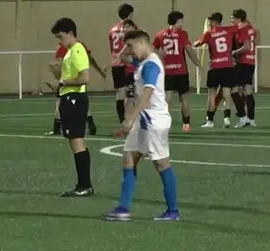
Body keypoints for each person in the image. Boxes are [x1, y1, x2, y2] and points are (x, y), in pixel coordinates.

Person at [104, 30, 180, 222]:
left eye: (131, 45)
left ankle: (173, 211)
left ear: (141, 43)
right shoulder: (143, 62)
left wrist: (130, 118)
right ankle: (123, 208)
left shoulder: (151, 65)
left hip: (153, 122)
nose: (127, 50)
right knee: (129, 158)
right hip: (144, 121)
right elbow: (121, 57)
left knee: (162, 164)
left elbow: (147, 95)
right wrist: (127, 44)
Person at [50, 17, 94, 197]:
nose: (60, 41)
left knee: (77, 141)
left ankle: (84, 185)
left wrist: (62, 81)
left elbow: (85, 78)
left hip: (75, 98)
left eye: (61, 37)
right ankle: (84, 184)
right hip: (70, 97)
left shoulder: (77, 50)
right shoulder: (70, 51)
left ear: (70, 33)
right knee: (75, 141)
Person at [46, 41, 107, 136]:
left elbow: (62, 68)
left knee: (59, 102)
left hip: (69, 80)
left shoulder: (63, 49)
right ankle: (91, 125)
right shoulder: (80, 46)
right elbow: (90, 59)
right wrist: (99, 71)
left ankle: (57, 129)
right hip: (80, 79)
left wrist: (58, 79)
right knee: (81, 104)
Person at [153, 11, 201, 131]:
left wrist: (159, 59)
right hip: (181, 71)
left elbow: (153, 49)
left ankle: (163, 124)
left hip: (167, 71)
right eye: (181, 21)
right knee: (184, 98)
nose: (183, 23)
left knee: (167, 98)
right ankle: (186, 125)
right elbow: (189, 50)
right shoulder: (182, 34)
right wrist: (198, 63)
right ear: (177, 21)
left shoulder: (160, 34)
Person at [194, 12, 237, 128]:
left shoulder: (209, 34)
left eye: (210, 21)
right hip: (228, 66)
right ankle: (227, 118)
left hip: (215, 67)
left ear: (214, 22)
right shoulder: (229, 30)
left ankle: (210, 121)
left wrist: (197, 42)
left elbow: (197, 43)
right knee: (227, 94)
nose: (209, 23)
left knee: (211, 95)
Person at [109, 4, 138, 123]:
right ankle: (130, 119)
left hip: (116, 64)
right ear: (130, 14)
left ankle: (122, 120)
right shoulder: (131, 27)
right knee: (131, 94)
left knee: (120, 93)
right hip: (128, 64)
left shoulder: (112, 30)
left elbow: (112, 47)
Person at [231, 9, 259, 128]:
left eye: (233, 18)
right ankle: (251, 119)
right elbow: (255, 38)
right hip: (251, 61)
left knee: (234, 89)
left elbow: (247, 46)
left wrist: (234, 52)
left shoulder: (242, 30)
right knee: (248, 89)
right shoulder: (251, 27)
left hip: (243, 62)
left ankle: (243, 117)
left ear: (238, 18)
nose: (231, 20)